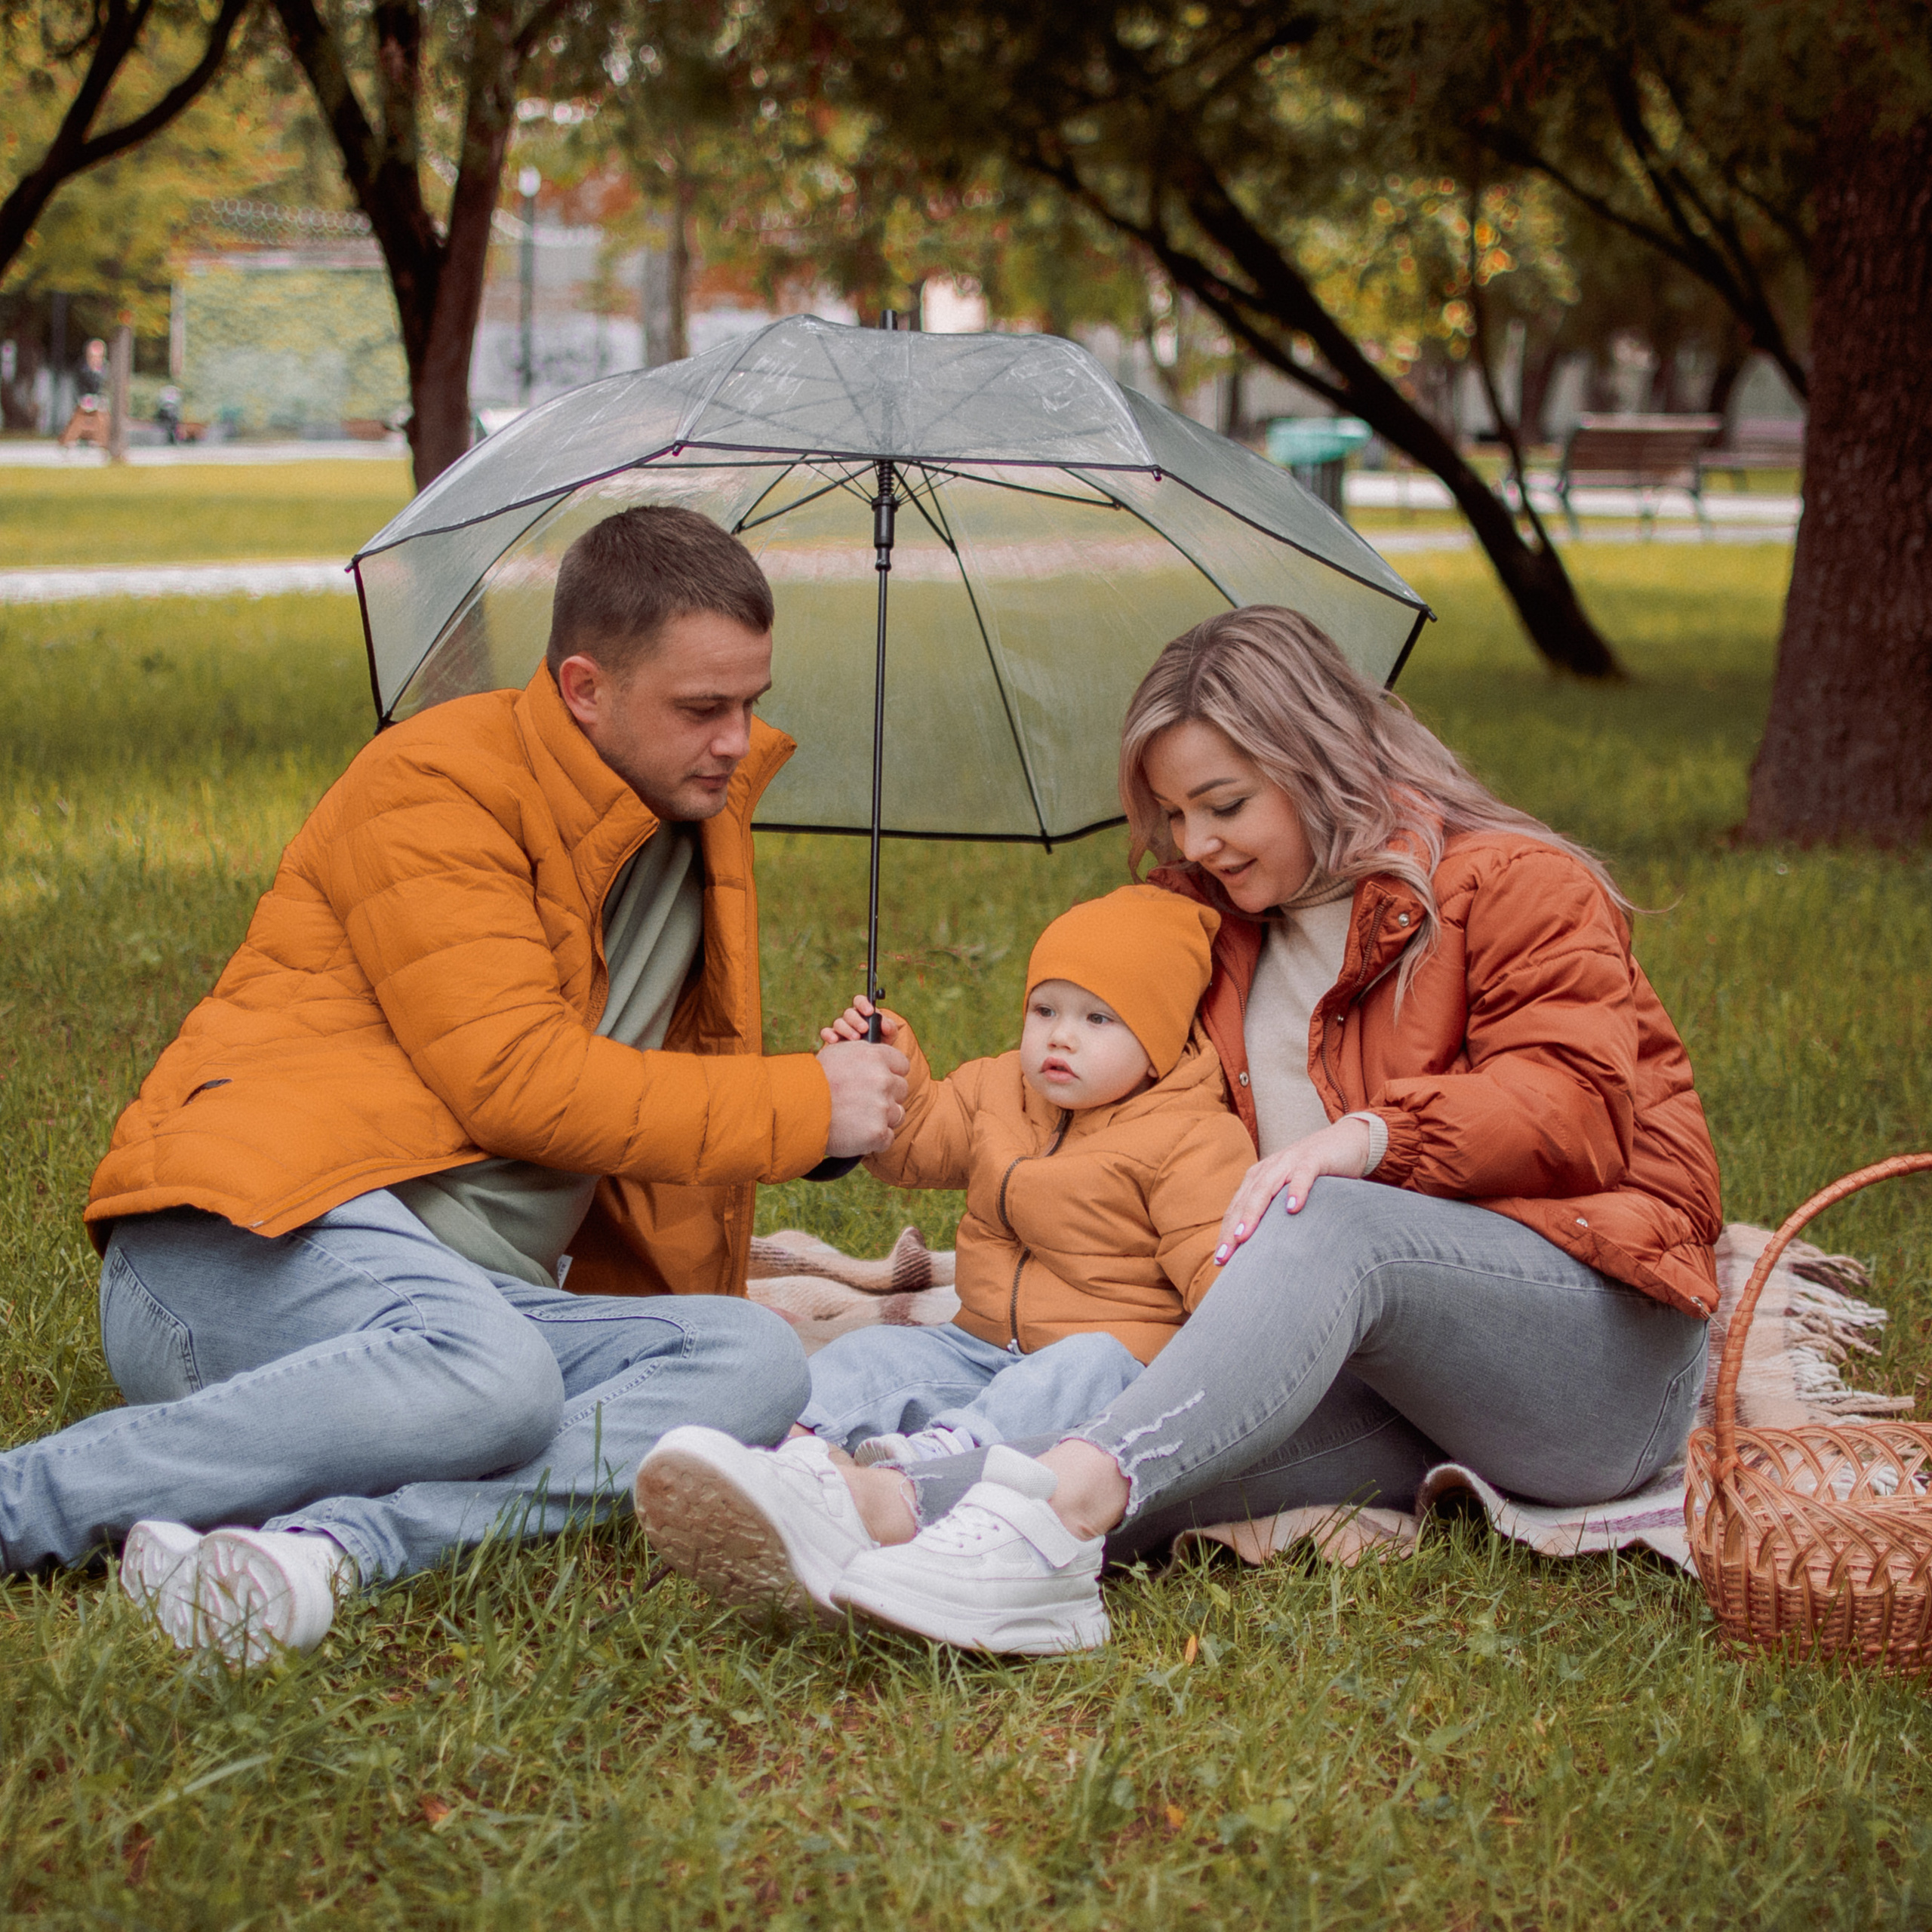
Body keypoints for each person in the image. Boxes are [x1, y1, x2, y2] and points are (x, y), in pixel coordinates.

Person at [632, 605, 1724, 1656]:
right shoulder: (1209, 931)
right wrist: (899, 1095)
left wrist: (1367, 1139)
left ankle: (1048, 1512)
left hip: (1589, 1374)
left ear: (1318, 760)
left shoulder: (1517, 886)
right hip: (1380, 1384)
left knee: (1327, 1215)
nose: (1199, 842)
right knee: (1152, 1424)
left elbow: (1576, 1106)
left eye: (1225, 804)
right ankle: (883, 1507)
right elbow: (1097, 1105)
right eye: (1174, 813)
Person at [0, 505, 908, 1664]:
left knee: (750, 1361)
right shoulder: (435, 782)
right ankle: (24, 1502)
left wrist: (843, 1111)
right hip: (252, 1244)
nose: (737, 741)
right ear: (585, 689)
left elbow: (655, 1102)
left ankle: (335, 1543)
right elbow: (515, 1080)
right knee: (495, 1381)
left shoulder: (691, 822)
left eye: (750, 702)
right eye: (702, 708)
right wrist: (803, 1106)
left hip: (476, 1308)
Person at [634, 889, 1262, 1623]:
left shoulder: (1193, 1136)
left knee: (1082, 1363)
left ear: (1160, 1035)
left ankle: (939, 1464)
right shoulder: (1002, 1088)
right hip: (978, 1343)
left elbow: (1218, 1266)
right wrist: (894, 1069)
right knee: (872, 1354)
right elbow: (919, 1143)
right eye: (1045, 1010)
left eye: (1098, 1019)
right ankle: (792, 1453)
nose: (1061, 1038)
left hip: (1111, 1366)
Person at [57, 338, 109, 449]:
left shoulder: (104, 369)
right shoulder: (82, 368)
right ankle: (69, 440)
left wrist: (101, 398)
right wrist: (83, 399)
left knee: (101, 415)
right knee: (79, 415)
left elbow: (104, 388)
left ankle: (102, 440)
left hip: (98, 400)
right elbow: (78, 387)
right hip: (84, 399)